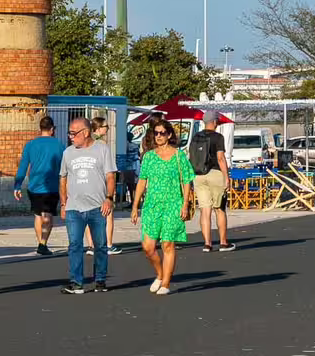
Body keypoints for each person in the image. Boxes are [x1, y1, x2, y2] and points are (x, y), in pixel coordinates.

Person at [131, 120, 195, 295]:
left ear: (169, 135)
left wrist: (185, 204)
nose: (158, 136)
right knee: (148, 247)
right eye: (156, 133)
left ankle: (166, 283)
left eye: (162, 133)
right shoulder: (149, 157)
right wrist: (135, 205)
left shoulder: (178, 156)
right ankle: (159, 274)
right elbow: (142, 181)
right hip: (152, 205)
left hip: (173, 204)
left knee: (167, 244)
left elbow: (187, 180)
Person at [59, 116, 116, 294]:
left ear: (85, 132)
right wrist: (63, 203)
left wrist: (109, 198)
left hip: (98, 207)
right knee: (75, 244)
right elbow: (63, 177)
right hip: (74, 207)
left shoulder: (102, 149)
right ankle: (76, 283)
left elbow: (110, 176)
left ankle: (100, 280)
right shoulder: (68, 153)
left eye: (73, 133)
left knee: (100, 245)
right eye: (69, 133)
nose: (70, 136)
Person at [12, 115, 66, 257]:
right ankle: (43, 244)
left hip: (34, 185)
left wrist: (17, 185)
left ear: (40, 128)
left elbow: (23, 166)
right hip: (52, 185)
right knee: (47, 215)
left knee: (38, 215)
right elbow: (65, 167)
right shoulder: (59, 145)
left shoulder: (30, 144)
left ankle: (41, 243)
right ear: (52, 129)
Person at [187, 115, 234, 252]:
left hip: (198, 175)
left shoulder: (195, 137)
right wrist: (226, 177)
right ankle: (223, 242)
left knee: (204, 210)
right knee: (219, 209)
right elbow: (220, 158)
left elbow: (191, 156)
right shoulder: (218, 137)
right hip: (215, 173)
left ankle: (207, 243)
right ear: (214, 122)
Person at [90, 116, 126, 255]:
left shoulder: (86, 143)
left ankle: (92, 245)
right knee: (108, 214)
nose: (108, 129)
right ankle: (109, 244)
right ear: (98, 128)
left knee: (90, 214)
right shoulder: (102, 145)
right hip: (102, 183)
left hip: (89, 184)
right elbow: (110, 169)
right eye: (106, 127)